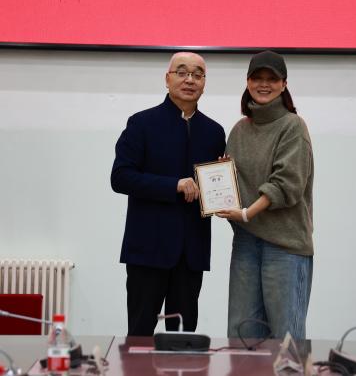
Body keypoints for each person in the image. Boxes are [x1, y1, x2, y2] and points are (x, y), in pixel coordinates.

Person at [111, 52, 225, 336]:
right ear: (167, 78)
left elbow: (215, 187)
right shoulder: (142, 123)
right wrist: (174, 185)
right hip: (147, 249)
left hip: (191, 253)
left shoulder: (214, 132)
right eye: (182, 72)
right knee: (139, 337)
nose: (190, 80)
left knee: (183, 340)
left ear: (204, 83)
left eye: (197, 74)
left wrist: (224, 191)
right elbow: (120, 177)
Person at [216, 50, 313, 340]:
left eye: (272, 79)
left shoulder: (293, 126)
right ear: (247, 82)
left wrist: (247, 213)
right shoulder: (239, 130)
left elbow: (286, 184)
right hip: (246, 242)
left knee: (286, 340)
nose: (264, 84)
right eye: (257, 78)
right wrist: (220, 186)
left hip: (285, 246)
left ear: (284, 85)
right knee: (241, 335)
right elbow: (233, 183)